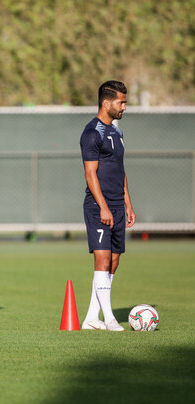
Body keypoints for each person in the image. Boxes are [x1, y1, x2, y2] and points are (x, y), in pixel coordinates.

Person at [80, 80, 136, 332]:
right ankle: (110, 318)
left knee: (113, 261)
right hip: (97, 205)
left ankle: (92, 317)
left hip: (117, 205)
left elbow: (120, 169)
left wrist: (128, 203)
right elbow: (90, 174)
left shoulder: (117, 132)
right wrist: (102, 206)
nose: (124, 106)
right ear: (106, 103)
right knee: (102, 260)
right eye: (120, 102)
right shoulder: (92, 132)